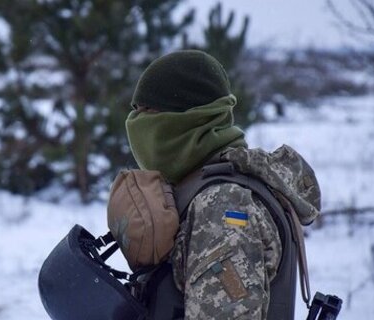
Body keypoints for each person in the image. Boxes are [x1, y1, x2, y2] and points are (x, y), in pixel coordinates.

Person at [125, 50, 321, 319]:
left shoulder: (223, 204)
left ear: (187, 118)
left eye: (148, 113)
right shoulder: (198, 186)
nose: (136, 125)